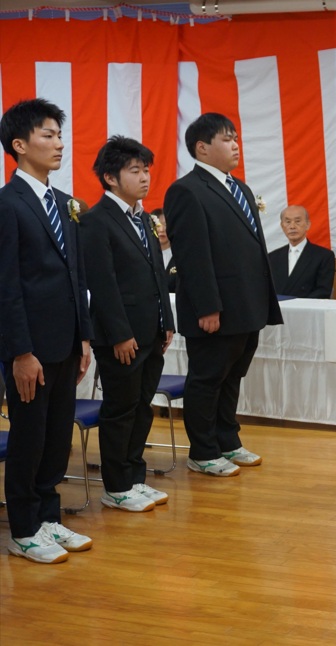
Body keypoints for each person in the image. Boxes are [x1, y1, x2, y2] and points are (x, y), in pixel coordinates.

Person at [0, 98, 95, 563]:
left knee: (57, 436)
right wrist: (20, 352)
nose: (59, 144)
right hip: (31, 349)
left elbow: (77, 276)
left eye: (60, 135)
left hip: (66, 343)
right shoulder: (7, 204)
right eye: (48, 135)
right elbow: (6, 285)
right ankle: (23, 528)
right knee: (29, 437)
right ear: (19, 145)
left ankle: (48, 516)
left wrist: (84, 338)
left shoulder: (64, 203)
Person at [163, 113, 283, 477]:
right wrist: (207, 307)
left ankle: (227, 440)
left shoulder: (239, 188)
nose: (235, 145)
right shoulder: (186, 190)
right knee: (208, 378)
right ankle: (203, 451)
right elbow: (192, 256)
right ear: (202, 148)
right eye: (227, 139)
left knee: (232, 377)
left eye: (236, 138)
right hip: (215, 309)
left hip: (246, 305)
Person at [80, 135, 175, 512]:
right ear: (111, 177)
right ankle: (116, 485)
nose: (145, 177)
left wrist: (167, 321)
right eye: (135, 170)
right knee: (120, 410)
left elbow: (158, 274)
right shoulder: (95, 221)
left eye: (146, 169)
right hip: (120, 336)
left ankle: (135, 476)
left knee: (142, 407)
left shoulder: (146, 219)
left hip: (151, 332)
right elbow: (102, 285)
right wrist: (120, 334)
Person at [267, 205, 336, 298]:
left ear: (308, 225)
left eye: (297, 221)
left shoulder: (324, 256)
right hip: (278, 306)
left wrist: (297, 304)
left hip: (307, 306)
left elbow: (323, 291)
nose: (292, 226)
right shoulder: (272, 257)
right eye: (288, 222)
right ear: (282, 226)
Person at [150, 208, 178, 293]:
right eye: (158, 225)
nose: (162, 229)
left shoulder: (179, 255)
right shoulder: (146, 255)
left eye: (165, 225)